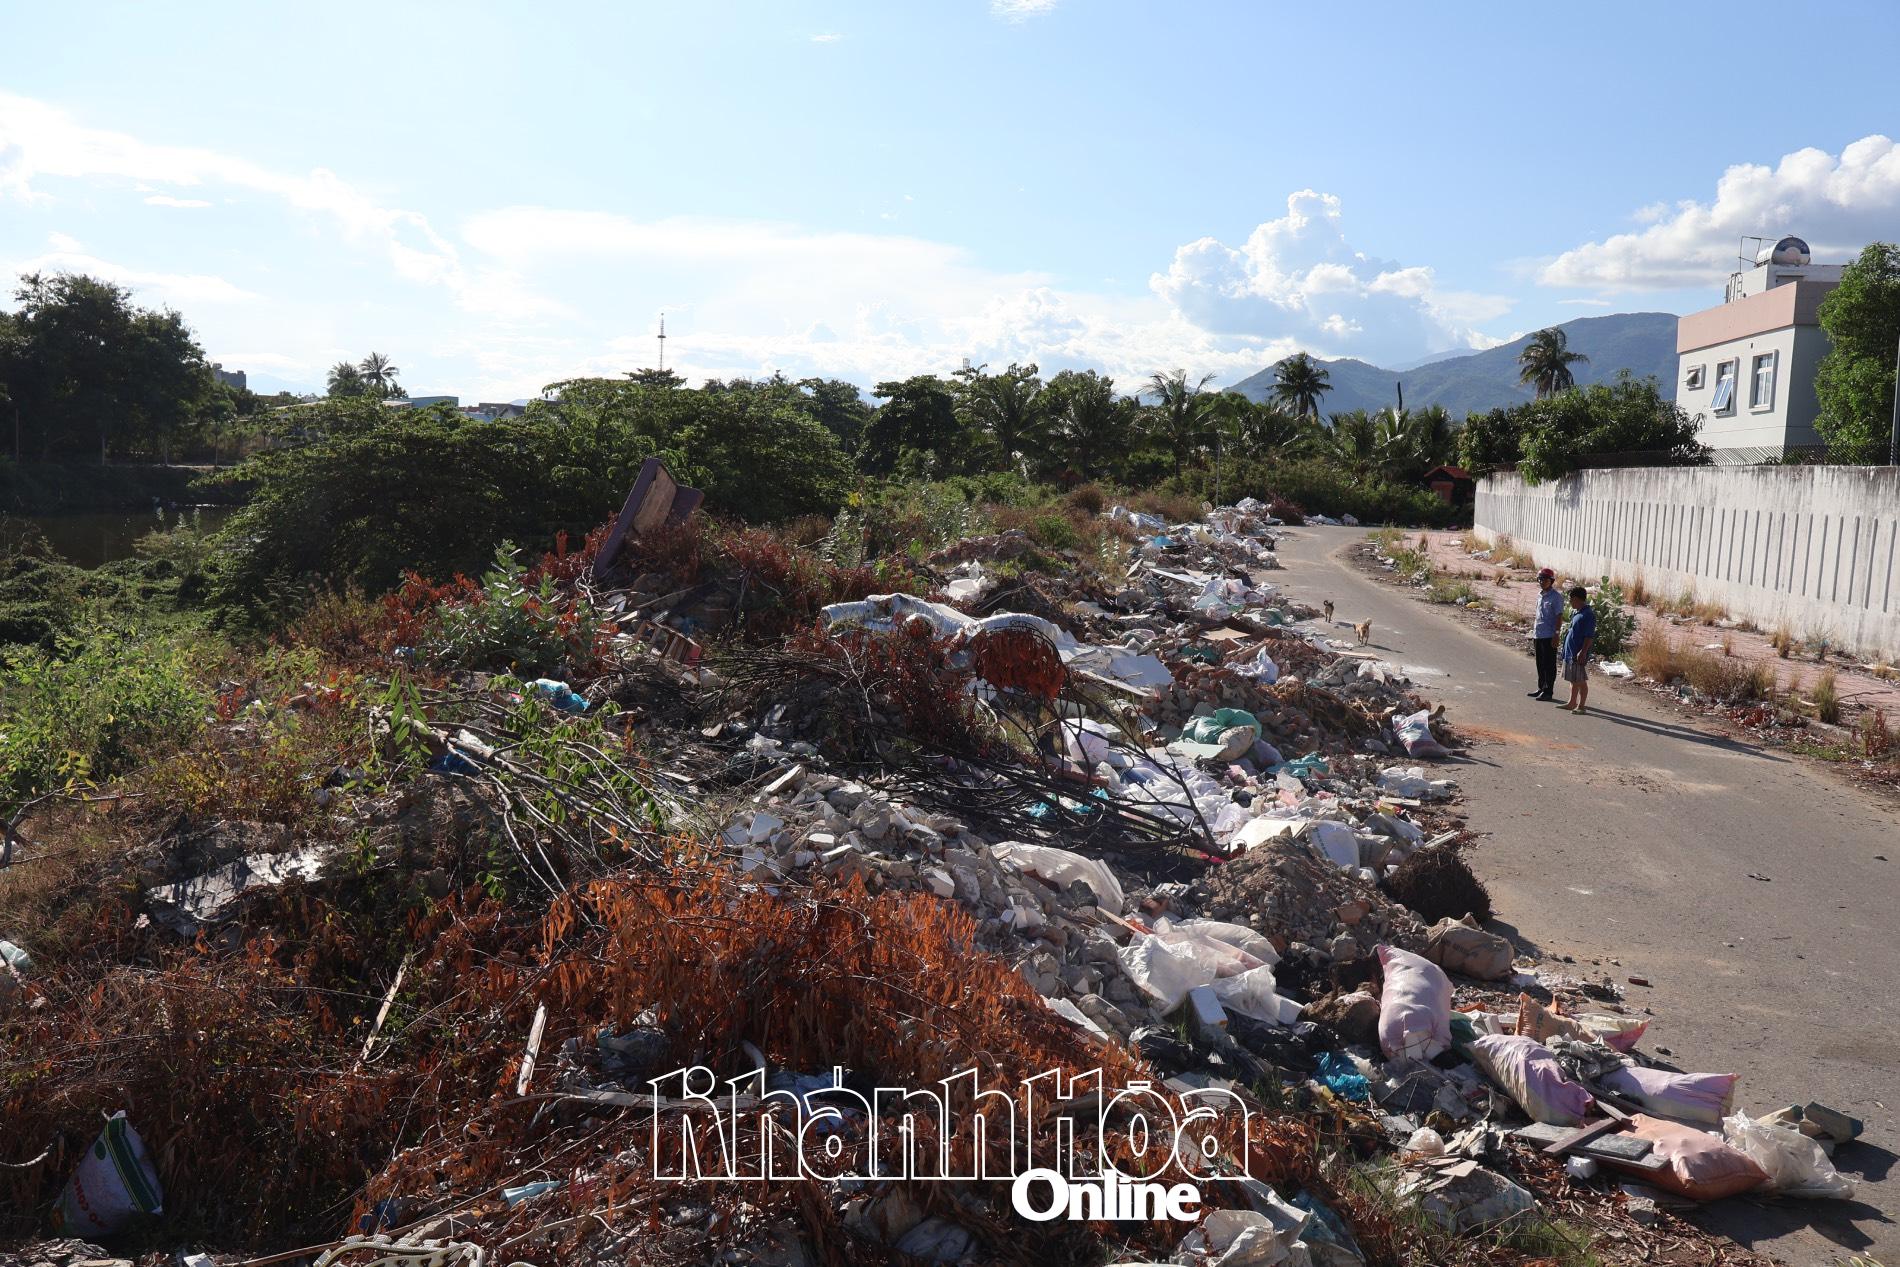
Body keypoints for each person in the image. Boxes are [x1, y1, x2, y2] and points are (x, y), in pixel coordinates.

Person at [1560, 585, 1596, 715]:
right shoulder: (1577, 612)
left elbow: (1589, 636)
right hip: (1570, 653)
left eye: (1571, 599)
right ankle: (1571, 703)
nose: (1570, 602)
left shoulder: (1588, 615)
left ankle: (1581, 706)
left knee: (1580, 680)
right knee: (1573, 679)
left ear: (1577, 598)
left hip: (1578, 653)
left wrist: (1583, 651)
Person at [1527, 567, 1561, 701]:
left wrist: (1556, 634)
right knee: (1540, 663)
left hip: (1549, 635)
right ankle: (1541, 688)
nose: (1542, 582)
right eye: (1540, 579)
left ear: (1551, 581)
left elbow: (1559, 616)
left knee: (1549, 664)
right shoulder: (1540, 595)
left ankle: (1548, 691)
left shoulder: (1556, 597)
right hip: (1538, 634)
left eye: (1545, 579)